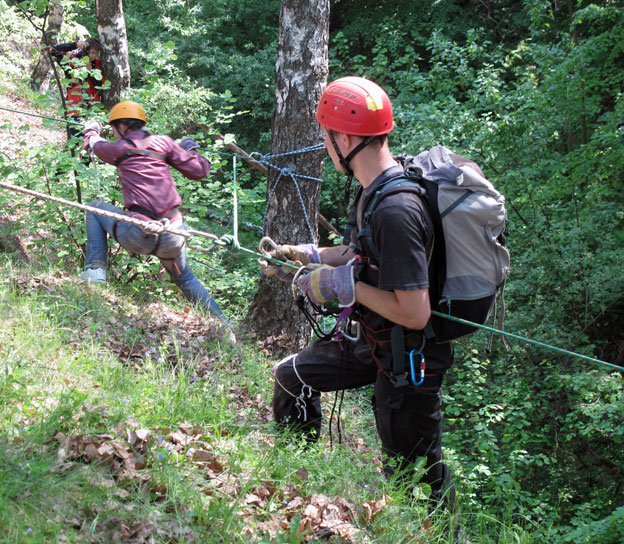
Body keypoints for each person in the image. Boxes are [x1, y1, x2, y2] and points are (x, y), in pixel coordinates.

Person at [264, 77, 463, 539]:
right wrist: (300, 255)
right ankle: (300, 478)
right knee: (291, 377)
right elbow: (356, 254)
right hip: (372, 339)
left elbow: (415, 312)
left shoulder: (397, 210)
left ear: (347, 139)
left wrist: (337, 286)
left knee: (415, 479)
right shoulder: (371, 190)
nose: (326, 146)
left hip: (411, 359)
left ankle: (448, 536)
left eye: (327, 137)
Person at [81, 100, 233, 331]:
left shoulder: (119, 149)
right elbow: (200, 170)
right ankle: (224, 326)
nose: (114, 132)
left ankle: (95, 273)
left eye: (114, 128)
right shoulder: (163, 143)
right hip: (172, 235)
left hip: (138, 232)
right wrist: (192, 149)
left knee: (93, 208)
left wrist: (92, 129)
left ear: (121, 126)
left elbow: (94, 143)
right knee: (184, 278)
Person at [50, 38, 105, 137]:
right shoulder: (74, 60)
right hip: (75, 109)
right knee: (75, 141)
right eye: (89, 52)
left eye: (94, 53)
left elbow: (101, 85)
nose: (91, 56)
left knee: (90, 144)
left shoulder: (99, 63)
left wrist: (91, 71)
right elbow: (53, 51)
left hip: (93, 111)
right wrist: (75, 45)